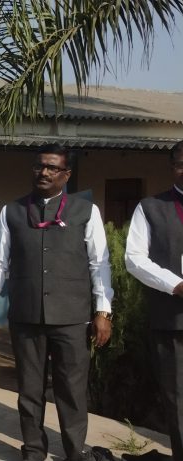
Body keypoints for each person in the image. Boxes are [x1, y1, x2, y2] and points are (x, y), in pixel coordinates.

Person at [0, 144, 113, 461]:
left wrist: (103, 311)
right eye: (39, 166)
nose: (44, 172)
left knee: (72, 390)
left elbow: (99, 263)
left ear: (66, 174)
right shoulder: (12, 211)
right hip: (27, 316)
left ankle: (74, 451)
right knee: (29, 389)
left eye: (53, 168)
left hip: (72, 317)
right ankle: (33, 450)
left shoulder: (85, 211)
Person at [125, 140, 183, 461]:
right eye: (181, 164)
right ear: (172, 168)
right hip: (173, 320)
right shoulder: (150, 207)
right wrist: (176, 285)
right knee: (178, 399)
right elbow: (134, 259)